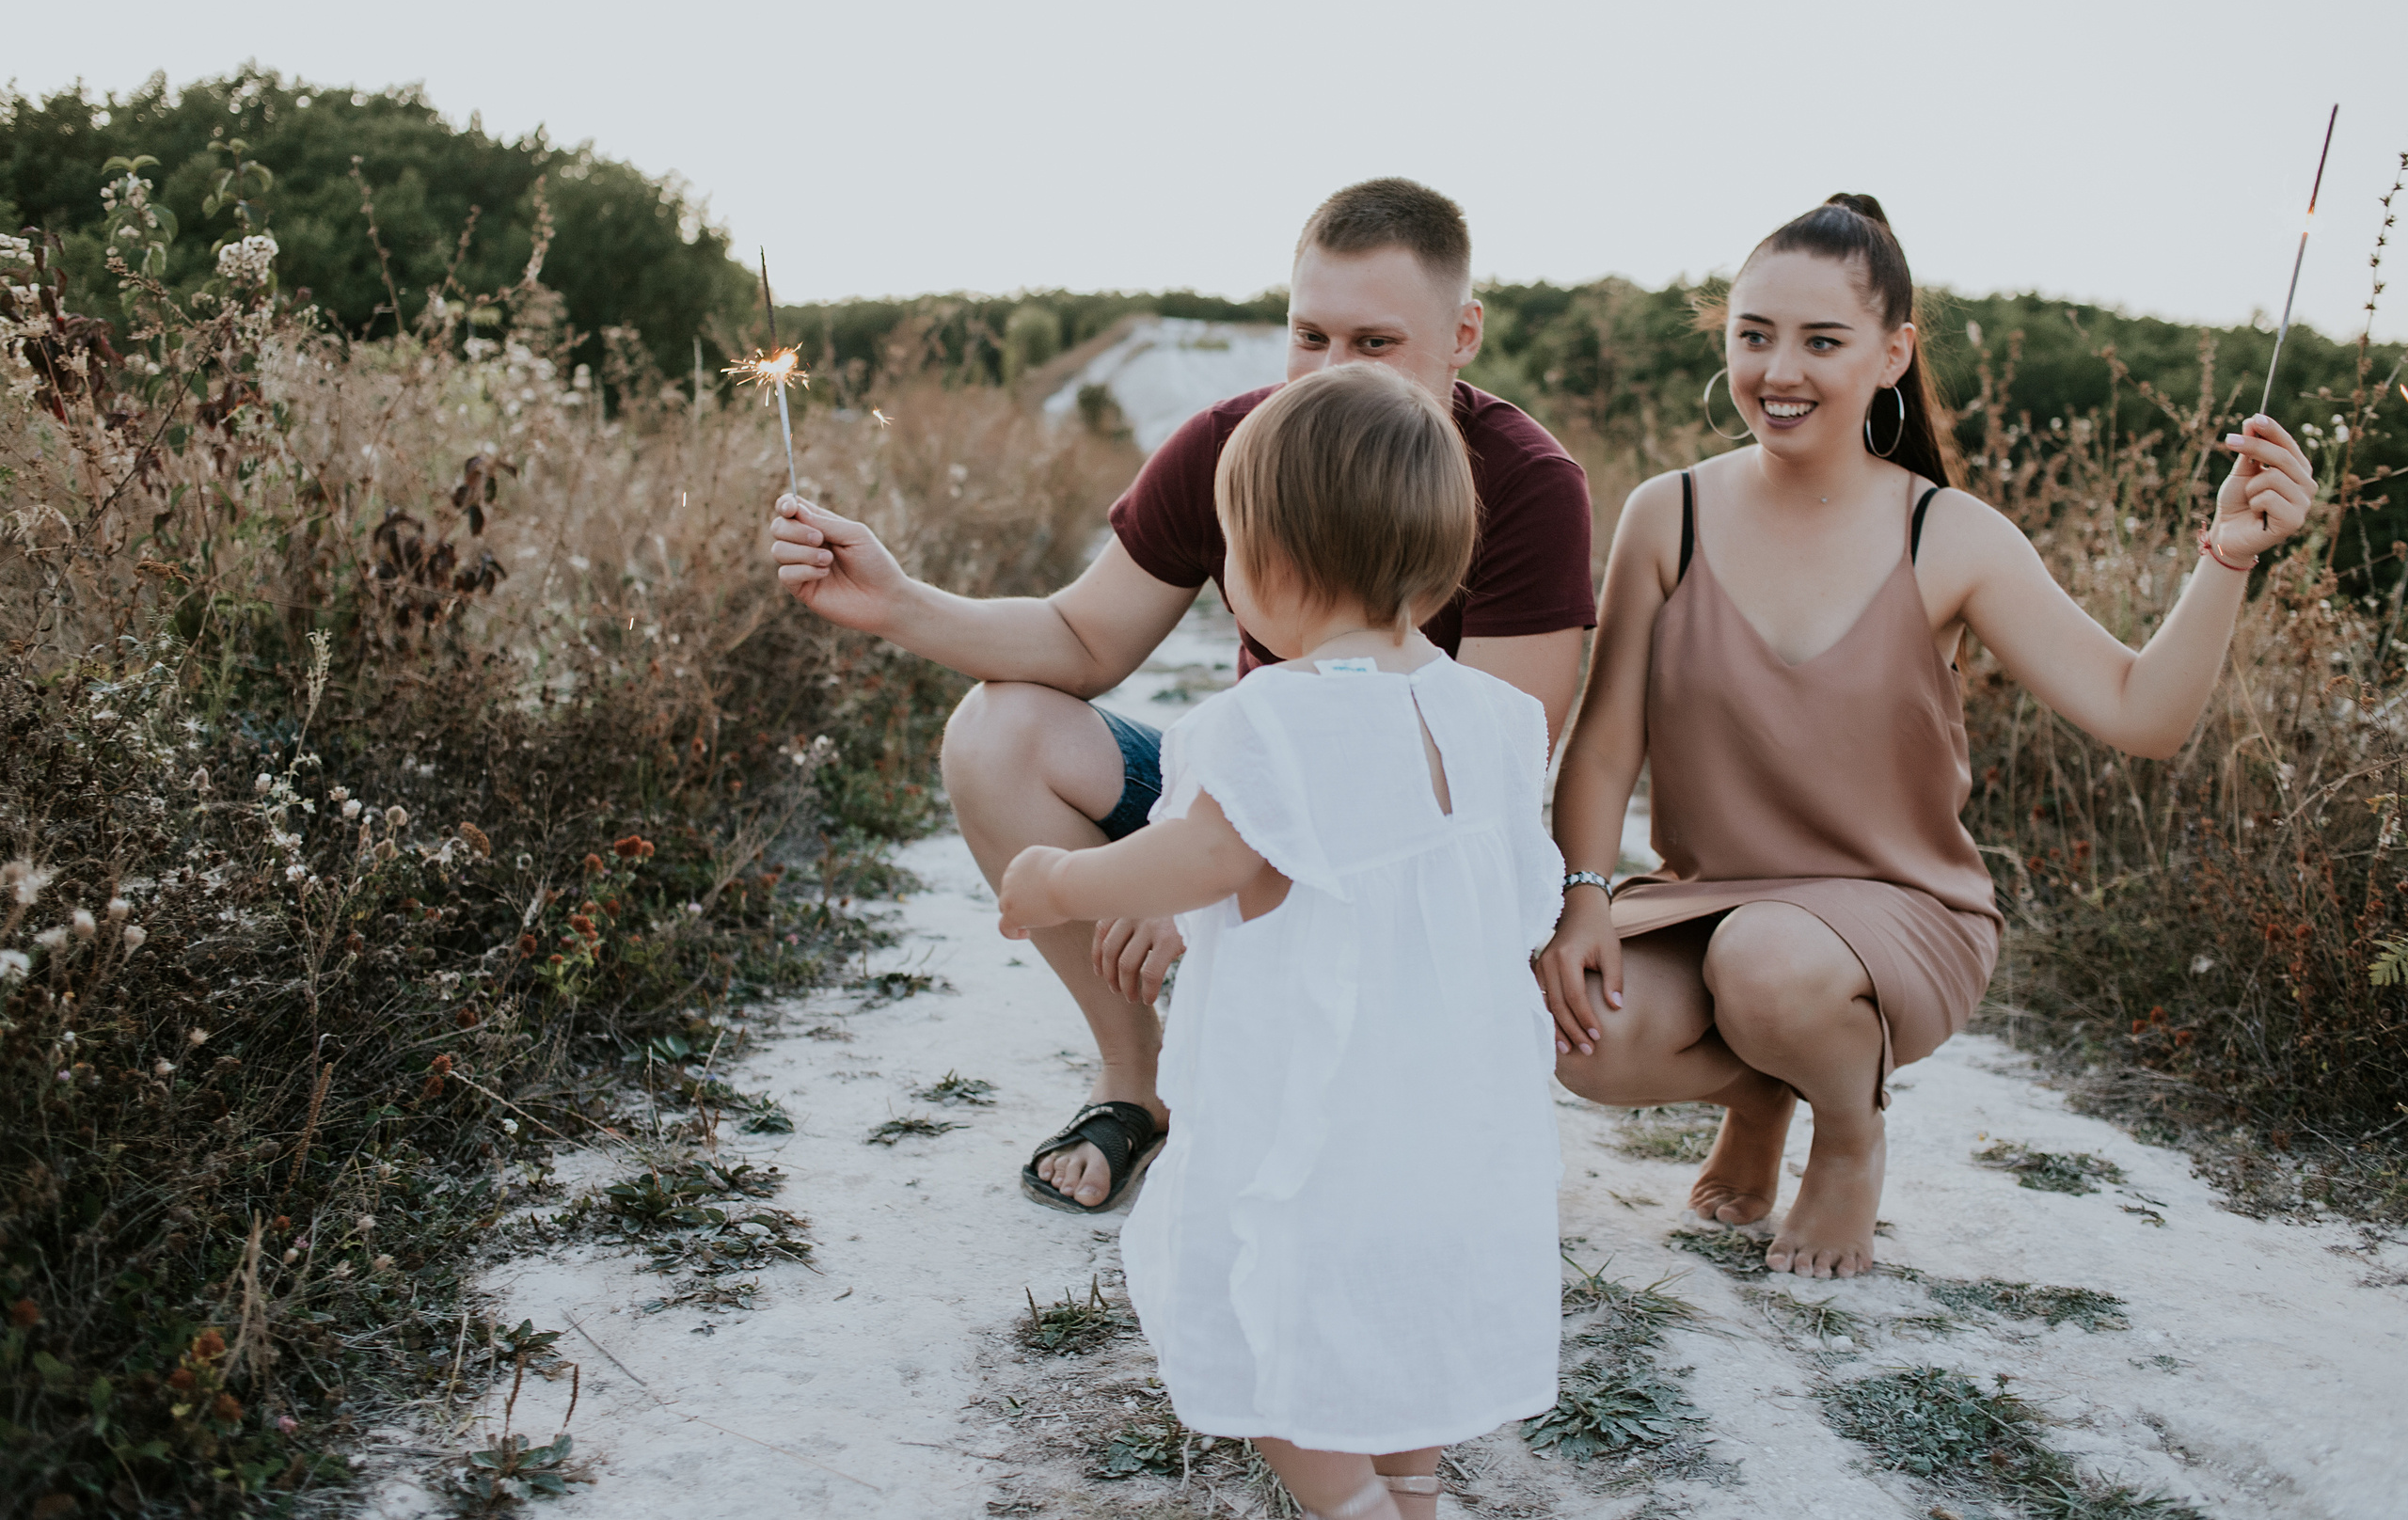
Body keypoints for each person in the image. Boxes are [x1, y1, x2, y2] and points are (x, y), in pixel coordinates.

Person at [768, 179, 1594, 1211]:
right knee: (998, 730)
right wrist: (897, 602)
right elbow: (1081, 636)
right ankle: (1136, 1082)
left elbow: (1476, 768)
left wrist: (1204, 870)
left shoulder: (1522, 481)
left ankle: (1367, 1122)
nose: (1329, 372)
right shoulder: (1238, 447)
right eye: (1309, 337)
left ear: (1461, 332)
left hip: (1400, 860)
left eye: (1374, 343)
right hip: (1248, 797)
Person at [1538, 193, 2315, 1279]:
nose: (1778, 370)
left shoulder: (1947, 536)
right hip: (1710, 902)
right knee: (1586, 1035)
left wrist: (2225, 557)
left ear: (1892, 352)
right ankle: (1759, 1090)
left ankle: (1848, 1134)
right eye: (1753, 335)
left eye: (1821, 340)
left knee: (1766, 966)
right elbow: (1605, 742)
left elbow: (2143, 714)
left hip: (1895, 910)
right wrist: (1581, 895)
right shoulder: (1666, 514)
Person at [996, 364, 1563, 1520]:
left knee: (1247, 1322)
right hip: (1452, 1131)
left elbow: (1203, 856)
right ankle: (1410, 1491)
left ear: (1272, 562)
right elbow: (1521, 897)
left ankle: (1350, 1508)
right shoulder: (1496, 719)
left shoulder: (1268, 721)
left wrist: (1059, 877)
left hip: (1313, 1133)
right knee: (1399, 1331)